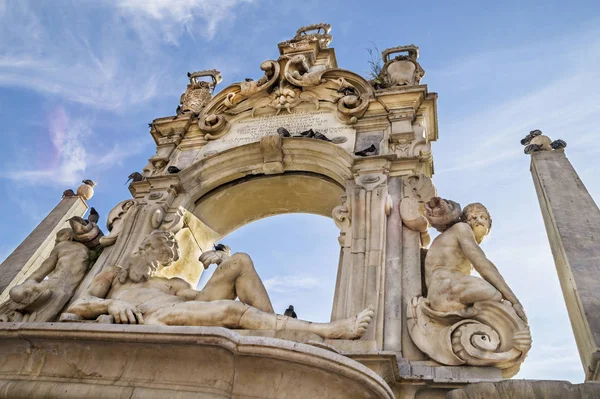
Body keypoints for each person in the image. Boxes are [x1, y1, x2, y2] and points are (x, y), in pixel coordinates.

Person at [67, 231, 373, 339]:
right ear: (141, 249)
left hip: (184, 308)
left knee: (241, 258)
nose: (153, 264)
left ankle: (271, 329)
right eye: (152, 254)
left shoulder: (168, 282)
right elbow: (77, 307)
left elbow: (198, 297)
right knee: (229, 309)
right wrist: (113, 303)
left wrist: (223, 258)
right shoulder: (112, 275)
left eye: (159, 260)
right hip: (151, 317)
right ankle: (325, 330)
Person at [424, 200, 527, 322]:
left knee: (495, 300)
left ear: (489, 224)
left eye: (483, 217)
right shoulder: (461, 228)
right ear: (465, 222)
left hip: (443, 293)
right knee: (494, 294)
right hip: (443, 291)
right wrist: (514, 301)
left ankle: (469, 315)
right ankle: (470, 314)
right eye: (473, 218)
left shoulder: (455, 240)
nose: (479, 220)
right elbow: (482, 264)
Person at [2, 228, 90, 322]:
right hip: (67, 291)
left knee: (15, 291)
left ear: (68, 237)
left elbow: (40, 273)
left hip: (50, 286)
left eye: (58, 237)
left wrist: (26, 283)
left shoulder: (62, 246)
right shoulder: (86, 250)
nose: (56, 241)